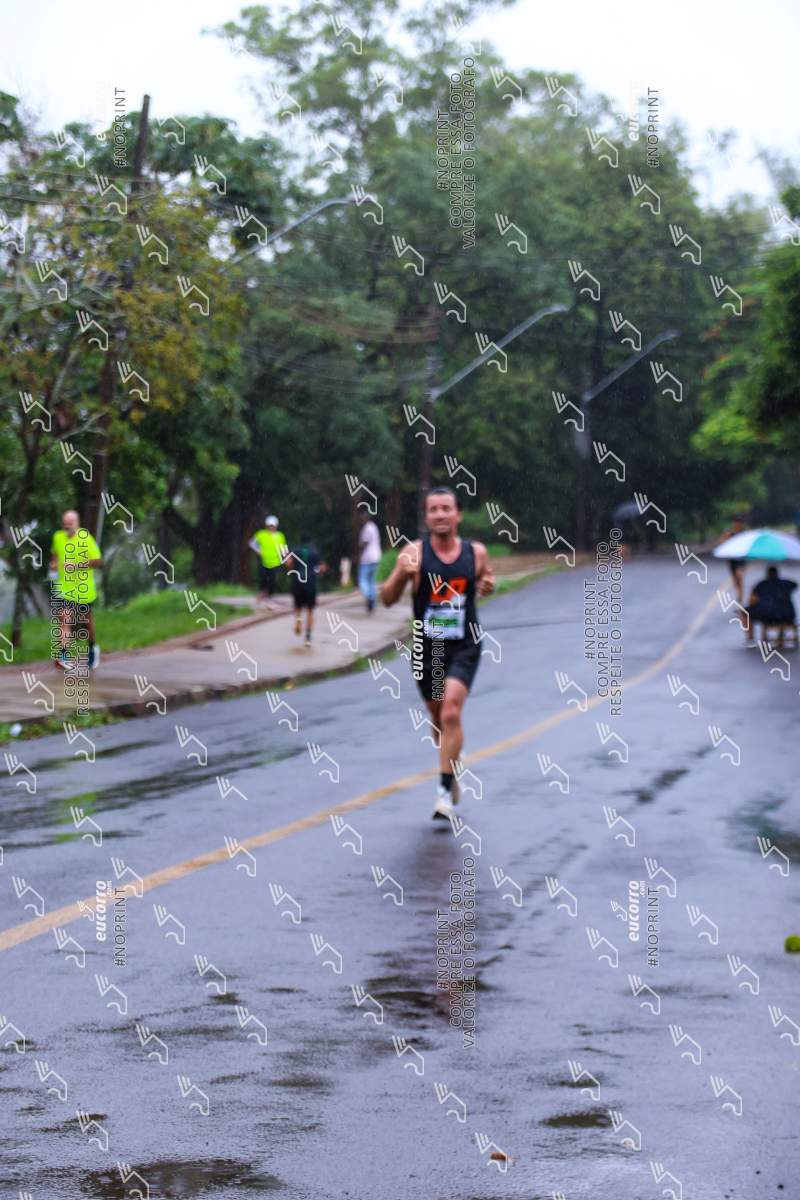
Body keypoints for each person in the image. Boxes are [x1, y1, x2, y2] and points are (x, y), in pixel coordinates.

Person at [381, 486, 494, 821]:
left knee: (450, 711)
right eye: (434, 509)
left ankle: (444, 792)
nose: (440, 514)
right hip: (427, 647)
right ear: (426, 517)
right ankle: (452, 766)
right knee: (437, 717)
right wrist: (401, 573)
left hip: (464, 643)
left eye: (446, 508)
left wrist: (488, 584)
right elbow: (386, 598)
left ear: (458, 515)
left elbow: (485, 579)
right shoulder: (414, 553)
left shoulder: (475, 552)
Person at [49, 510, 103, 670]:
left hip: (83, 589)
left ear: (77, 524)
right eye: (65, 523)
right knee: (64, 618)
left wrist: (76, 566)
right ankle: (64, 655)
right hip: (64, 588)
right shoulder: (58, 537)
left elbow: (97, 561)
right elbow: (55, 553)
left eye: (70, 523)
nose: (67, 526)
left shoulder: (86, 538)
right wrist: (53, 565)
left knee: (86, 622)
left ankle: (92, 648)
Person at [286, 534, 324, 646]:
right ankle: (308, 636)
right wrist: (317, 572)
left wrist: (294, 569)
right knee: (310, 610)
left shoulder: (295, 551)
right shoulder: (315, 552)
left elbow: (288, 564)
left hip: (297, 582)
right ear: (311, 541)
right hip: (310, 583)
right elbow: (322, 568)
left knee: (298, 607)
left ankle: (298, 620)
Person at [745, 565, 797, 644]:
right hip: (789, 615)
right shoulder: (786, 583)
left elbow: (752, 601)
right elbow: (795, 584)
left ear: (767, 574)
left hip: (768, 615)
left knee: (745, 613)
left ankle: (750, 638)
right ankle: (779, 636)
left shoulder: (761, 584)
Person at [249, 515, 288, 607]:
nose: (271, 527)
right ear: (266, 525)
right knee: (263, 578)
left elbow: (283, 548)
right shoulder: (261, 534)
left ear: (276, 526)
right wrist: (258, 550)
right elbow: (252, 543)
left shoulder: (280, 536)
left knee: (272, 580)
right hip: (263, 561)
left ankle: (269, 597)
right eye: (270, 525)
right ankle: (263, 593)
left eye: (273, 526)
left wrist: (286, 557)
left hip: (275, 562)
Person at [715, 514, 747, 604]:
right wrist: (726, 538)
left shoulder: (744, 534)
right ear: (734, 524)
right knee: (735, 580)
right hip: (732, 559)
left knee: (739, 576)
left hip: (741, 558)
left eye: (739, 523)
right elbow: (720, 543)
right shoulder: (730, 533)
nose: (738, 525)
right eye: (736, 523)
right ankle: (739, 593)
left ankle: (740, 597)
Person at [357, 512, 381, 613]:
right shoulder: (374, 527)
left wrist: (360, 552)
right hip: (376, 557)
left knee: (362, 580)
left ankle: (369, 597)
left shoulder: (367, 528)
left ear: (365, 518)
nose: (361, 520)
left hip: (367, 558)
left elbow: (365, 543)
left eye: (362, 518)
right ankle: (372, 603)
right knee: (371, 581)